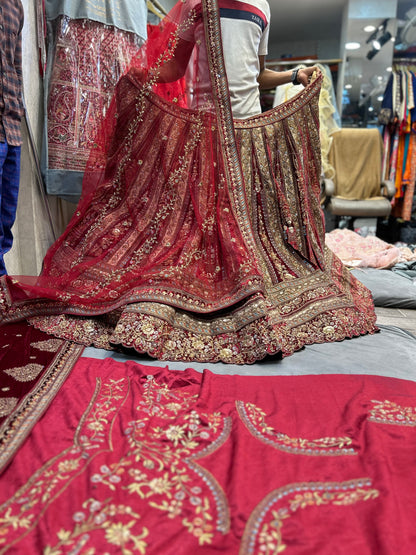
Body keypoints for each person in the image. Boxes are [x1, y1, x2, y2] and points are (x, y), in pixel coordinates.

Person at [0, 0, 377, 363]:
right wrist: (137, 77)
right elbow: (173, 69)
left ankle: (241, 293)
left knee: (248, 234)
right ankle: (210, 297)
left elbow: (257, 74)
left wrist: (295, 75)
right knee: (197, 234)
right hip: (204, 138)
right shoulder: (197, 3)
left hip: (249, 139)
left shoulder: (263, 6)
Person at [0, 0, 24, 276]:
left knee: (6, 217)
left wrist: (18, 107)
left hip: (11, 128)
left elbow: (16, 65)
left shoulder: (15, 5)